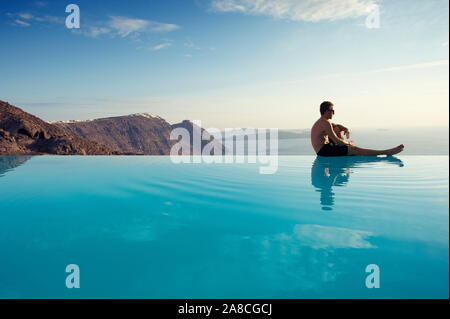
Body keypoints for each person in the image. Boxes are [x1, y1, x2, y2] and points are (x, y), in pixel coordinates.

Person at [311, 101, 404, 157]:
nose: (333, 113)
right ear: (326, 111)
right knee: (354, 149)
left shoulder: (323, 121)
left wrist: (344, 128)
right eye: (332, 111)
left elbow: (335, 126)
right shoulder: (325, 123)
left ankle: (347, 149)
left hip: (324, 149)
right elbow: (337, 141)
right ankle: (386, 152)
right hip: (323, 151)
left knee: (337, 128)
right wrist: (349, 143)